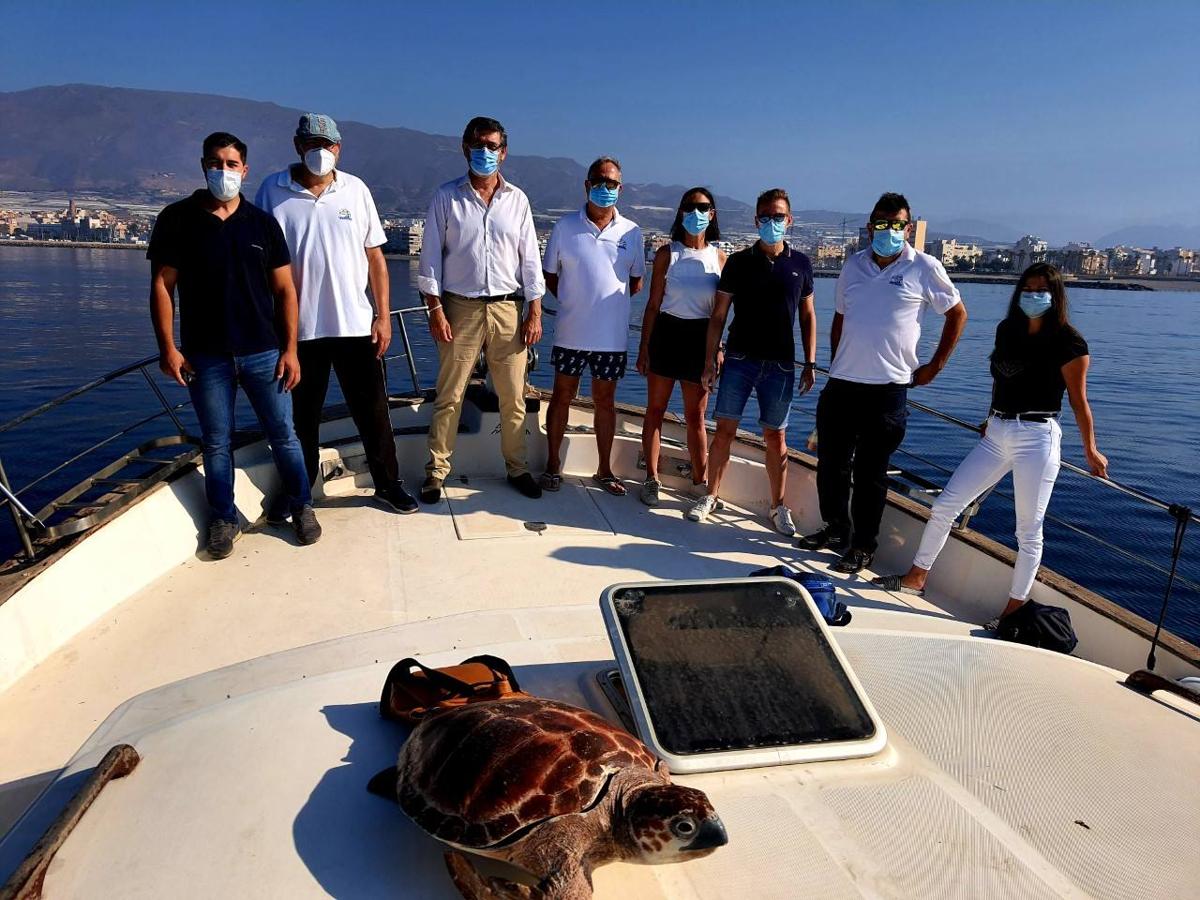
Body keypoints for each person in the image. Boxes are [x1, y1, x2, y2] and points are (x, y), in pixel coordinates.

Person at [872, 263, 1107, 626]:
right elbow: (1000, 381)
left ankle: (1013, 609)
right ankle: (916, 577)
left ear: (1056, 295)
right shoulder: (1007, 330)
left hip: (1037, 437)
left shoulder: (1069, 342)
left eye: (1041, 290)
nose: (1033, 296)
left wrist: (1090, 449)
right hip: (997, 432)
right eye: (1027, 289)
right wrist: (990, 415)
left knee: (1028, 530)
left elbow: (1079, 401)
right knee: (946, 504)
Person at [148, 131, 320, 558]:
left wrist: (291, 349)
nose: (223, 171)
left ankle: (302, 506)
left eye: (231, 164)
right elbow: (161, 286)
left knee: (285, 434)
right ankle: (223, 518)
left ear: (245, 170)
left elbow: (285, 291)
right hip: (206, 357)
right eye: (215, 163)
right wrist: (168, 348)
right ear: (203, 165)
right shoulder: (178, 219)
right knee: (216, 442)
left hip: (264, 351)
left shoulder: (262, 224)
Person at [256, 113, 417, 516]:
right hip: (298, 331)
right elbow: (259, 264)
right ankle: (298, 492)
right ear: (297, 146)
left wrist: (383, 316)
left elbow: (375, 259)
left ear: (339, 149)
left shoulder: (356, 190)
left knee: (374, 413)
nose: (320, 152)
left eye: (327, 146)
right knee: (300, 420)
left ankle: (388, 484)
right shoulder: (271, 191)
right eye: (312, 144)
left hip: (355, 326)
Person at [799, 192, 967, 573]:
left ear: (907, 229)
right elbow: (841, 317)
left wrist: (935, 366)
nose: (887, 230)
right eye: (880, 223)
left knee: (870, 472)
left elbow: (957, 314)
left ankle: (863, 546)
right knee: (831, 465)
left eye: (895, 224)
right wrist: (837, 361)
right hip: (842, 383)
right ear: (870, 225)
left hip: (888, 389)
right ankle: (836, 529)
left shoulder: (924, 267)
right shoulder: (853, 265)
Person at [417, 116, 546, 503]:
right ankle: (436, 473)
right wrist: (435, 311)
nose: (484, 152)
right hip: (460, 308)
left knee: (513, 397)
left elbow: (530, 262)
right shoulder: (446, 197)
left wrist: (535, 312)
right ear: (464, 148)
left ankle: (518, 468)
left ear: (503, 152)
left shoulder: (518, 200)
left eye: (492, 146)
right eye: (478, 144)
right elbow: (430, 261)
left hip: (508, 309)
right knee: (450, 395)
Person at [688, 188, 816, 535]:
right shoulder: (739, 263)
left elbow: (807, 316)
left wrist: (811, 362)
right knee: (725, 430)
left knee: (776, 437)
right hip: (739, 360)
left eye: (778, 217)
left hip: (782, 365)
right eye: (765, 217)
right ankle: (710, 495)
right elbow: (718, 315)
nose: (772, 223)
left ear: (789, 221)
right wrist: (709, 361)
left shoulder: (801, 264)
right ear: (756, 220)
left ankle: (778, 507)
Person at [541, 157, 646, 496]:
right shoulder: (564, 227)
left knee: (606, 403)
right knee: (561, 397)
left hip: (611, 339)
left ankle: (604, 469)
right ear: (587, 185)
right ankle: (552, 465)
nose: (605, 188)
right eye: (599, 181)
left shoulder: (632, 232)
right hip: (571, 333)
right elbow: (550, 276)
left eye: (611, 183)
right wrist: (576, 301)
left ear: (620, 189)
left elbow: (635, 282)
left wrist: (606, 307)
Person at [635, 188, 725, 506]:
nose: (696, 212)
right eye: (689, 207)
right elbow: (652, 305)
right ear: (681, 213)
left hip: (701, 340)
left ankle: (700, 483)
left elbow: (721, 313)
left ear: (712, 214)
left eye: (702, 207)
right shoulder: (666, 254)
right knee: (655, 410)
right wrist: (644, 347)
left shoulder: (719, 258)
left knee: (696, 417)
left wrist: (717, 351)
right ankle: (651, 479)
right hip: (667, 334)